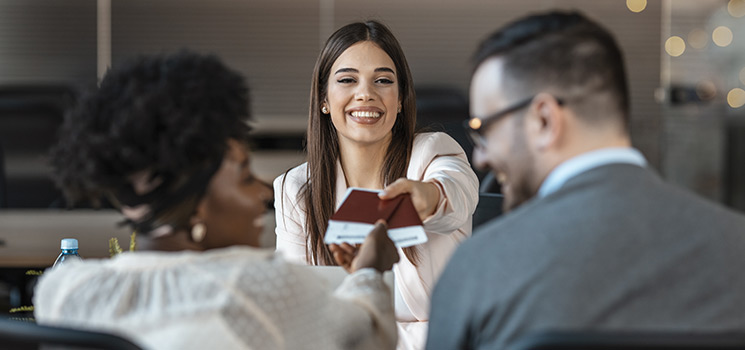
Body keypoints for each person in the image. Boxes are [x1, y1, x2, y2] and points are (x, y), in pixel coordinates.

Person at [34, 51, 399, 350]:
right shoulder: (265, 288)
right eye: (244, 177)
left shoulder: (62, 290)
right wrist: (370, 270)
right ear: (199, 208)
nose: (262, 192)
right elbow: (365, 336)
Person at [427, 10, 745, 350]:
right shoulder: (736, 245)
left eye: (484, 130)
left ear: (544, 120)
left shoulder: (481, 267)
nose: (481, 157)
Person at [274, 20, 479, 350]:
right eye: (347, 80)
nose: (366, 93)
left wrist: (425, 197)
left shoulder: (434, 152)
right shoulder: (294, 188)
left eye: (383, 80)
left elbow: (455, 193)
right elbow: (299, 309)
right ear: (324, 99)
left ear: (400, 100)